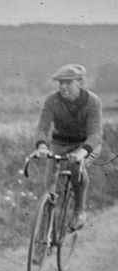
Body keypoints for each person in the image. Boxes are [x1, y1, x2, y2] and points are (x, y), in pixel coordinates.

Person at [29, 63, 102, 230]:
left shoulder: (92, 102)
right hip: (60, 143)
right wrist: (41, 146)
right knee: (49, 185)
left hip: (86, 145)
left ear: (80, 83)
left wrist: (82, 153)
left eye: (68, 82)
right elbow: (42, 127)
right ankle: (46, 232)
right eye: (60, 82)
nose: (63, 86)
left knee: (76, 166)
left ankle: (79, 211)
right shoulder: (52, 101)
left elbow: (95, 134)